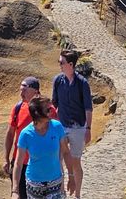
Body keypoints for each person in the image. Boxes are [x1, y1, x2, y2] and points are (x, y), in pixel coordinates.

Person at [12, 95, 74, 199]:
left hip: (56, 183)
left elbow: (66, 152)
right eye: (48, 109)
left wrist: (71, 177)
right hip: (34, 185)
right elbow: (18, 164)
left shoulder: (57, 127)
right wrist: (15, 190)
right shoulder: (26, 134)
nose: (52, 111)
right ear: (38, 113)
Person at [4, 76, 55, 199]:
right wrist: (5, 158)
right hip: (19, 163)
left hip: (40, 163)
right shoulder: (17, 108)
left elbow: (55, 135)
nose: (21, 93)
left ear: (36, 91)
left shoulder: (48, 109)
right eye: (21, 89)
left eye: (25, 90)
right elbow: (10, 134)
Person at [51, 50, 93, 199]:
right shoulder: (57, 81)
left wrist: (88, 129)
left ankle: (78, 195)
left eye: (61, 62)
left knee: (76, 161)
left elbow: (88, 107)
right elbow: (54, 104)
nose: (60, 65)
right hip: (61, 126)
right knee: (58, 160)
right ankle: (62, 193)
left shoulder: (82, 83)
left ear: (70, 64)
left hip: (78, 127)